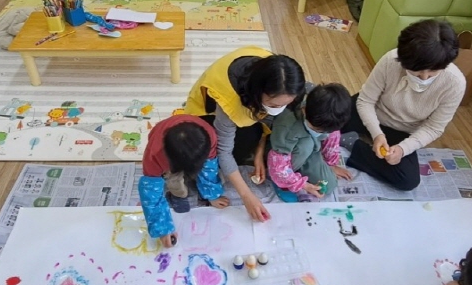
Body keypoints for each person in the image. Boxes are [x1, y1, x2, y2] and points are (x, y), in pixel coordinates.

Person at [341, 20, 465, 191]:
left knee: (408, 180)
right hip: (373, 111)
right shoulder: (390, 61)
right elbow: (366, 101)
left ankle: (352, 143)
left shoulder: (455, 83)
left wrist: (402, 149)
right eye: (418, 71)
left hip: (403, 130)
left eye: (432, 72)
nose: (424, 78)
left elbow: (434, 128)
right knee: (324, 118)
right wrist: (376, 134)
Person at [185, 49, 306, 221]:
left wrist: (258, 152)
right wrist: (247, 196)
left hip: (248, 107)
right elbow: (223, 151)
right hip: (208, 113)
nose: (279, 108)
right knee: (218, 156)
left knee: (254, 138)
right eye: (274, 104)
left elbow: (268, 118)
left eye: (286, 103)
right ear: (257, 93)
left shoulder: (279, 74)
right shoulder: (229, 102)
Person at [138, 115, 231, 248]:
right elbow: (150, 193)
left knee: (208, 168)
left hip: (189, 148)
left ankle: (194, 175)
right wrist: (163, 228)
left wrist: (212, 195)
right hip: (166, 156)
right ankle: (176, 188)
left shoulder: (208, 137)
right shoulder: (154, 157)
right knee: (175, 182)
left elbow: (209, 167)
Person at [267, 83, 354, 202]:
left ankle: (296, 173)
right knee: (306, 145)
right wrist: (300, 184)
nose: (323, 133)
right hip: (287, 155)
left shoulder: (328, 122)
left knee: (329, 185)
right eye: (318, 129)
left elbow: (332, 138)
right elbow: (278, 163)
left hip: (311, 151)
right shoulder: (288, 127)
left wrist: (330, 164)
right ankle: (282, 184)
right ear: (304, 111)